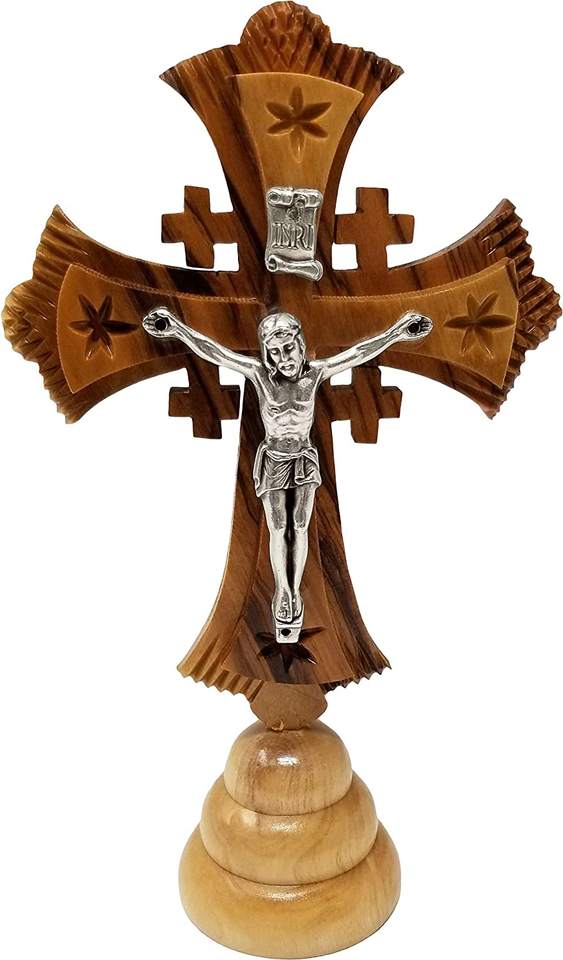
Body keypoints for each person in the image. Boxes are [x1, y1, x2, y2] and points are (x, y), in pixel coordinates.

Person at [143, 307, 432, 632]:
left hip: (304, 457)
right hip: (274, 460)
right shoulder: (260, 376)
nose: (284, 358)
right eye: (275, 352)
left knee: (301, 524)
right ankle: (283, 590)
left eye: (289, 348)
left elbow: (358, 353)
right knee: (279, 526)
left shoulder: (315, 374)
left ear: (301, 343)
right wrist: (177, 329)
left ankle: (295, 590)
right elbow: (217, 353)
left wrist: (397, 333)